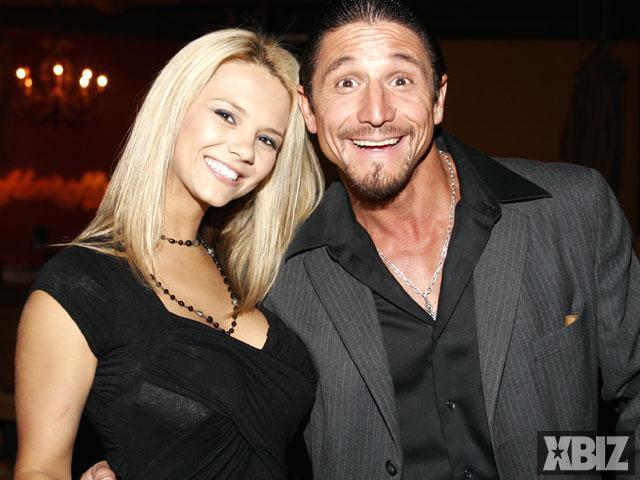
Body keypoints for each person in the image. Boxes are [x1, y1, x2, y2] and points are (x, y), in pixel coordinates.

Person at [83, 0, 640, 478]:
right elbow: (228, 419)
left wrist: (591, 467)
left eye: (401, 80)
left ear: (438, 98)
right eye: (346, 83)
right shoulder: (273, 275)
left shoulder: (573, 212)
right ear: (309, 110)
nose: (376, 114)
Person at [14, 29, 324, 480]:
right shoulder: (83, 284)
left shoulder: (251, 271)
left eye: (267, 139)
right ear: (173, 108)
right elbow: (40, 469)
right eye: (226, 115)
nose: (244, 149)